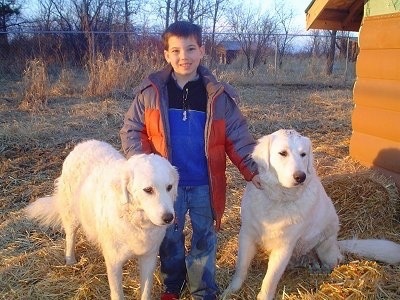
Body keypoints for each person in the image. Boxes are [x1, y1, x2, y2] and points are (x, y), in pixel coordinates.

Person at [120, 20, 261, 300]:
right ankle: (172, 283)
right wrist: (143, 166)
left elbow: (238, 138)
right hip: (165, 187)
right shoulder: (151, 93)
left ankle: (202, 288)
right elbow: (132, 130)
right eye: (176, 50)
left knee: (204, 237)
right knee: (169, 236)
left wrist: (253, 170)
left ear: (202, 50)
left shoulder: (218, 97)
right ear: (166, 54)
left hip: (203, 184)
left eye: (190, 48)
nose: (183, 56)